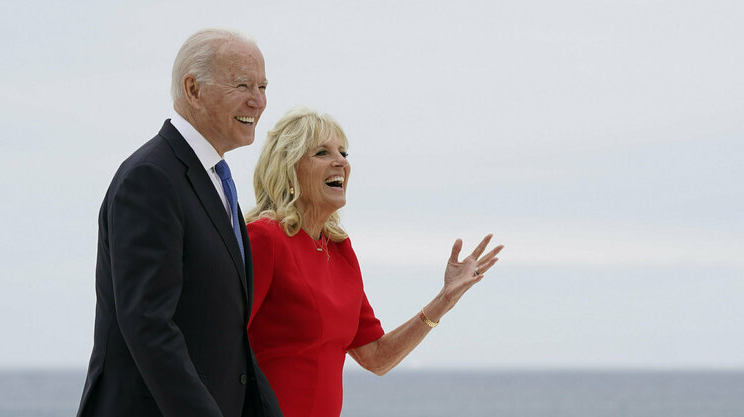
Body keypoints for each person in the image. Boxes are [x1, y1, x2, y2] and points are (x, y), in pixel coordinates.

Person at [244, 107, 504, 417]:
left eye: (343, 152)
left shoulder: (340, 253)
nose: (341, 161)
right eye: (322, 152)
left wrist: (444, 299)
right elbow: (220, 343)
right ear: (290, 169)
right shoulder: (264, 238)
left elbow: (377, 357)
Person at [76, 29, 282, 417]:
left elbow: (231, 342)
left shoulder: (217, 181)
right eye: (243, 85)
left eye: (263, 86)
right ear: (193, 89)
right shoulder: (151, 178)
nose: (258, 101)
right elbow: (149, 325)